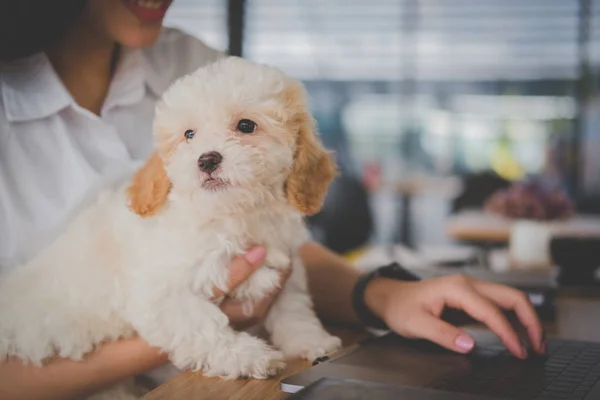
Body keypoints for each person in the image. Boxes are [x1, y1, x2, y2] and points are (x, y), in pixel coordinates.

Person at [0, 1, 545, 399]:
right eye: (191, 139)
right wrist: (197, 334)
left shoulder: (190, 59)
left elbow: (266, 243)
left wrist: (384, 295)